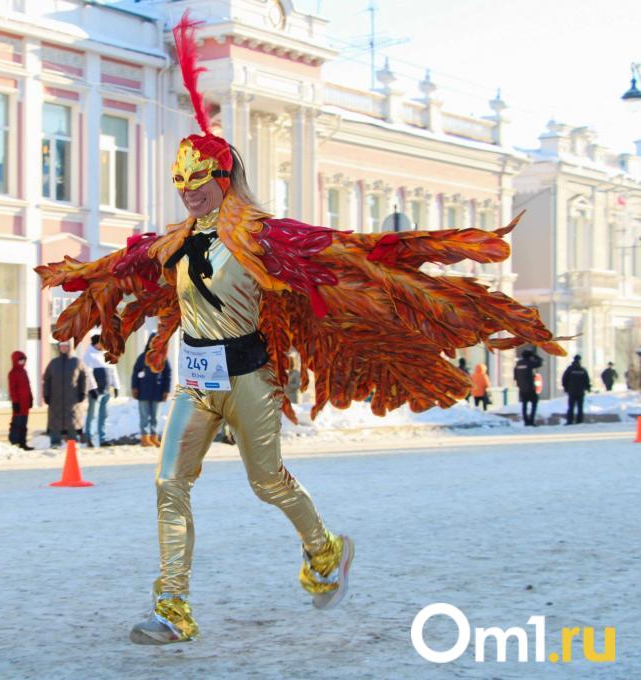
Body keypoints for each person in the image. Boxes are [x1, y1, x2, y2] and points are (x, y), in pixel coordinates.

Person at [36, 12, 563, 645]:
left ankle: (324, 549)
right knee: (168, 483)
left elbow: (347, 252)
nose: (187, 192)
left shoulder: (264, 237)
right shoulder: (174, 242)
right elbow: (130, 269)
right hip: (194, 381)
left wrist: (409, 257)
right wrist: (95, 280)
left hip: (252, 379)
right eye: (179, 182)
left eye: (198, 181)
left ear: (224, 180)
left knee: (268, 483)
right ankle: (172, 607)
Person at [42, 340, 87, 447]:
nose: (63, 348)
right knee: (55, 421)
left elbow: (83, 378)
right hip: (55, 399)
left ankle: (72, 441)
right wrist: (46, 394)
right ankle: (55, 442)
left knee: (72, 421)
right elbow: (46, 380)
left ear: (70, 347)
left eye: (66, 346)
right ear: (58, 347)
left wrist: (82, 393)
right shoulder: (53, 363)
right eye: (61, 346)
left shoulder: (76, 362)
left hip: (72, 399)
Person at [131, 334, 171, 446]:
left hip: (157, 391)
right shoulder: (142, 357)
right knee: (144, 416)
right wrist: (134, 388)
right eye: (152, 341)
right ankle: (145, 439)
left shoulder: (163, 357)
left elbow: (168, 374)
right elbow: (135, 373)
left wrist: (166, 390)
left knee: (155, 417)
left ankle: (154, 438)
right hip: (143, 391)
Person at [82, 334, 121, 447]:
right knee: (92, 414)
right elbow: (87, 373)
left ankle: (102, 438)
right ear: (96, 343)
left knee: (104, 415)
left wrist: (116, 386)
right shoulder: (88, 355)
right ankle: (88, 438)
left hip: (106, 390)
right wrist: (92, 388)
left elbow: (113, 370)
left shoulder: (107, 354)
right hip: (95, 391)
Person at [7, 351, 33, 450]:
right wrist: (15, 402)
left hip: (25, 403)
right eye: (20, 360)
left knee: (24, 424)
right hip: (18, 403)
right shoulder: (12, 373)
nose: (22, 362)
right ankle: (14, 442)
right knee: (17, 423)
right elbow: (12, 389)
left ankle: (22, 442)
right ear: (15, 361)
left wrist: (31, 398)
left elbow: (28, 386)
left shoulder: (24, 372)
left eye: (23, 361)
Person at [513, 348, 543, 426]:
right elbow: (540, 362)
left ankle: (526, 421)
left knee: (524, 405)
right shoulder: (529, 363)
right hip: (530, 388)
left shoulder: (518, 364)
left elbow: (515, 377)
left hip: (522, 388)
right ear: (529, 356)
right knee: (534, 403)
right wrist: (535, 355)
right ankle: (531, 421)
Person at [562, 355, 591, 425]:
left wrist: (566, 388)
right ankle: (579, 421)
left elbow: (564, 379)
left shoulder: (569, 369)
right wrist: (588, 388)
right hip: (580, 392)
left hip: (571, 391)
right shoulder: (582, 370)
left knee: (571, 407)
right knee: (580, 407)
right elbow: (586, 380)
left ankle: (570, 421)